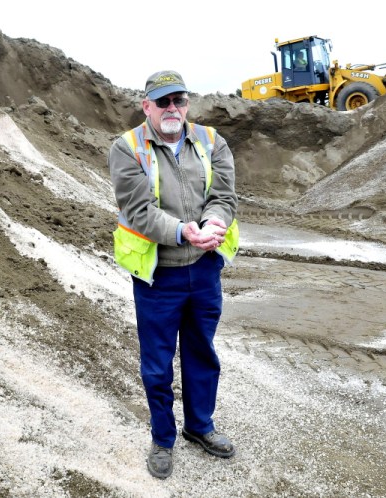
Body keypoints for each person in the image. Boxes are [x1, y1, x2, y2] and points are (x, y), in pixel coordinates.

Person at [108, 70, 239, 479]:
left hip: (203, 271)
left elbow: (224, 196)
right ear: (146, 105)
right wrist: (183, 232)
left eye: (178, 101)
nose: (172, 109)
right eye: (162, 102)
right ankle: (162, 438)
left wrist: (215, 222)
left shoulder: (212, 141)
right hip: (158, 277)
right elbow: (139, 211)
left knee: (202, 353)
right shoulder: (127, 147)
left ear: (187, 104)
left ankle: (200, 427)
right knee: (157, 364)